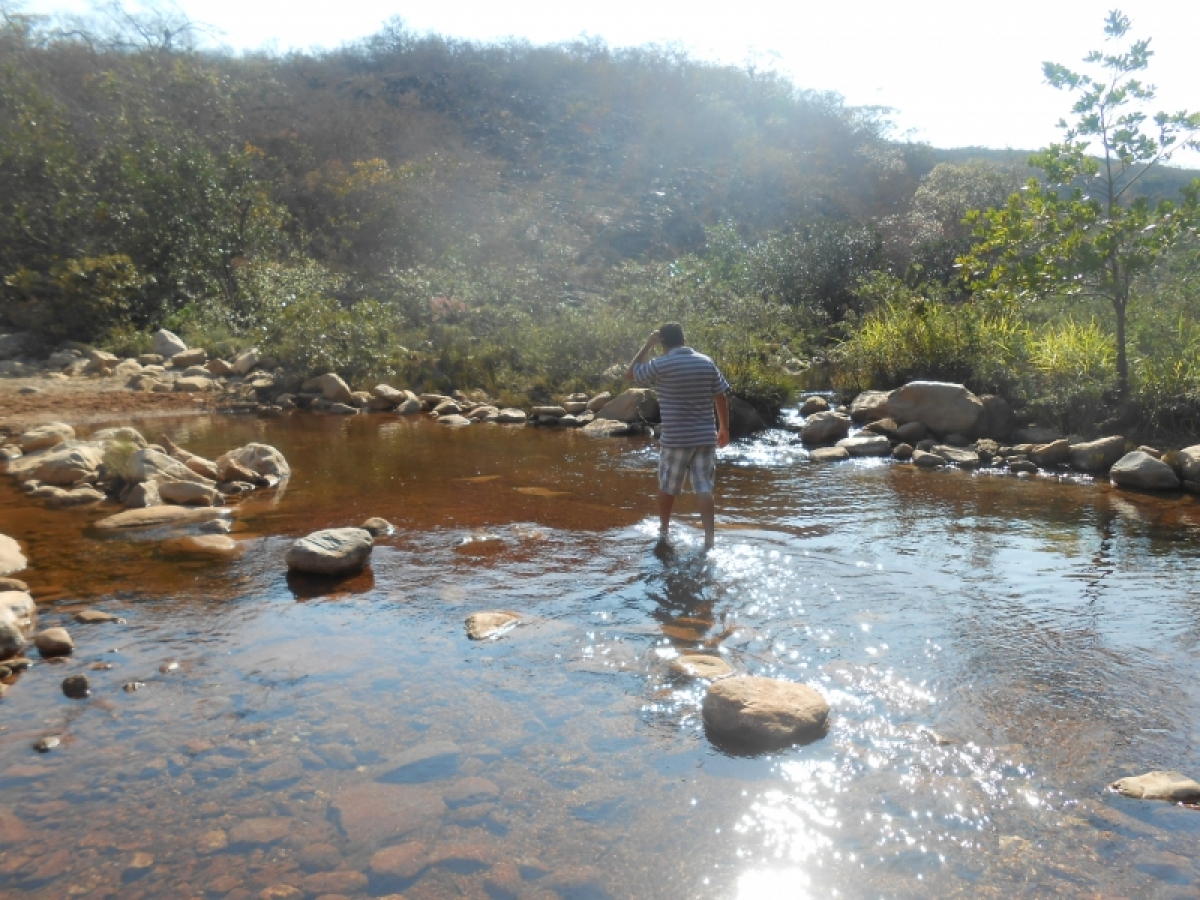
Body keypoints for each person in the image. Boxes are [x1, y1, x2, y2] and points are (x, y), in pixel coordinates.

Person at [626, 323, 730, 549]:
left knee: (668, 487)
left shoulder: (661, 364)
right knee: (704, 487)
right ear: (684, 338)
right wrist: (724, 428)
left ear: (662, 341)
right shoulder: (705, 362)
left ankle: (663, 532)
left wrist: (647, 345)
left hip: (676, 439)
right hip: (705, 437)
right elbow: (720, 395)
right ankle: (709, 540)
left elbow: (630, 374)